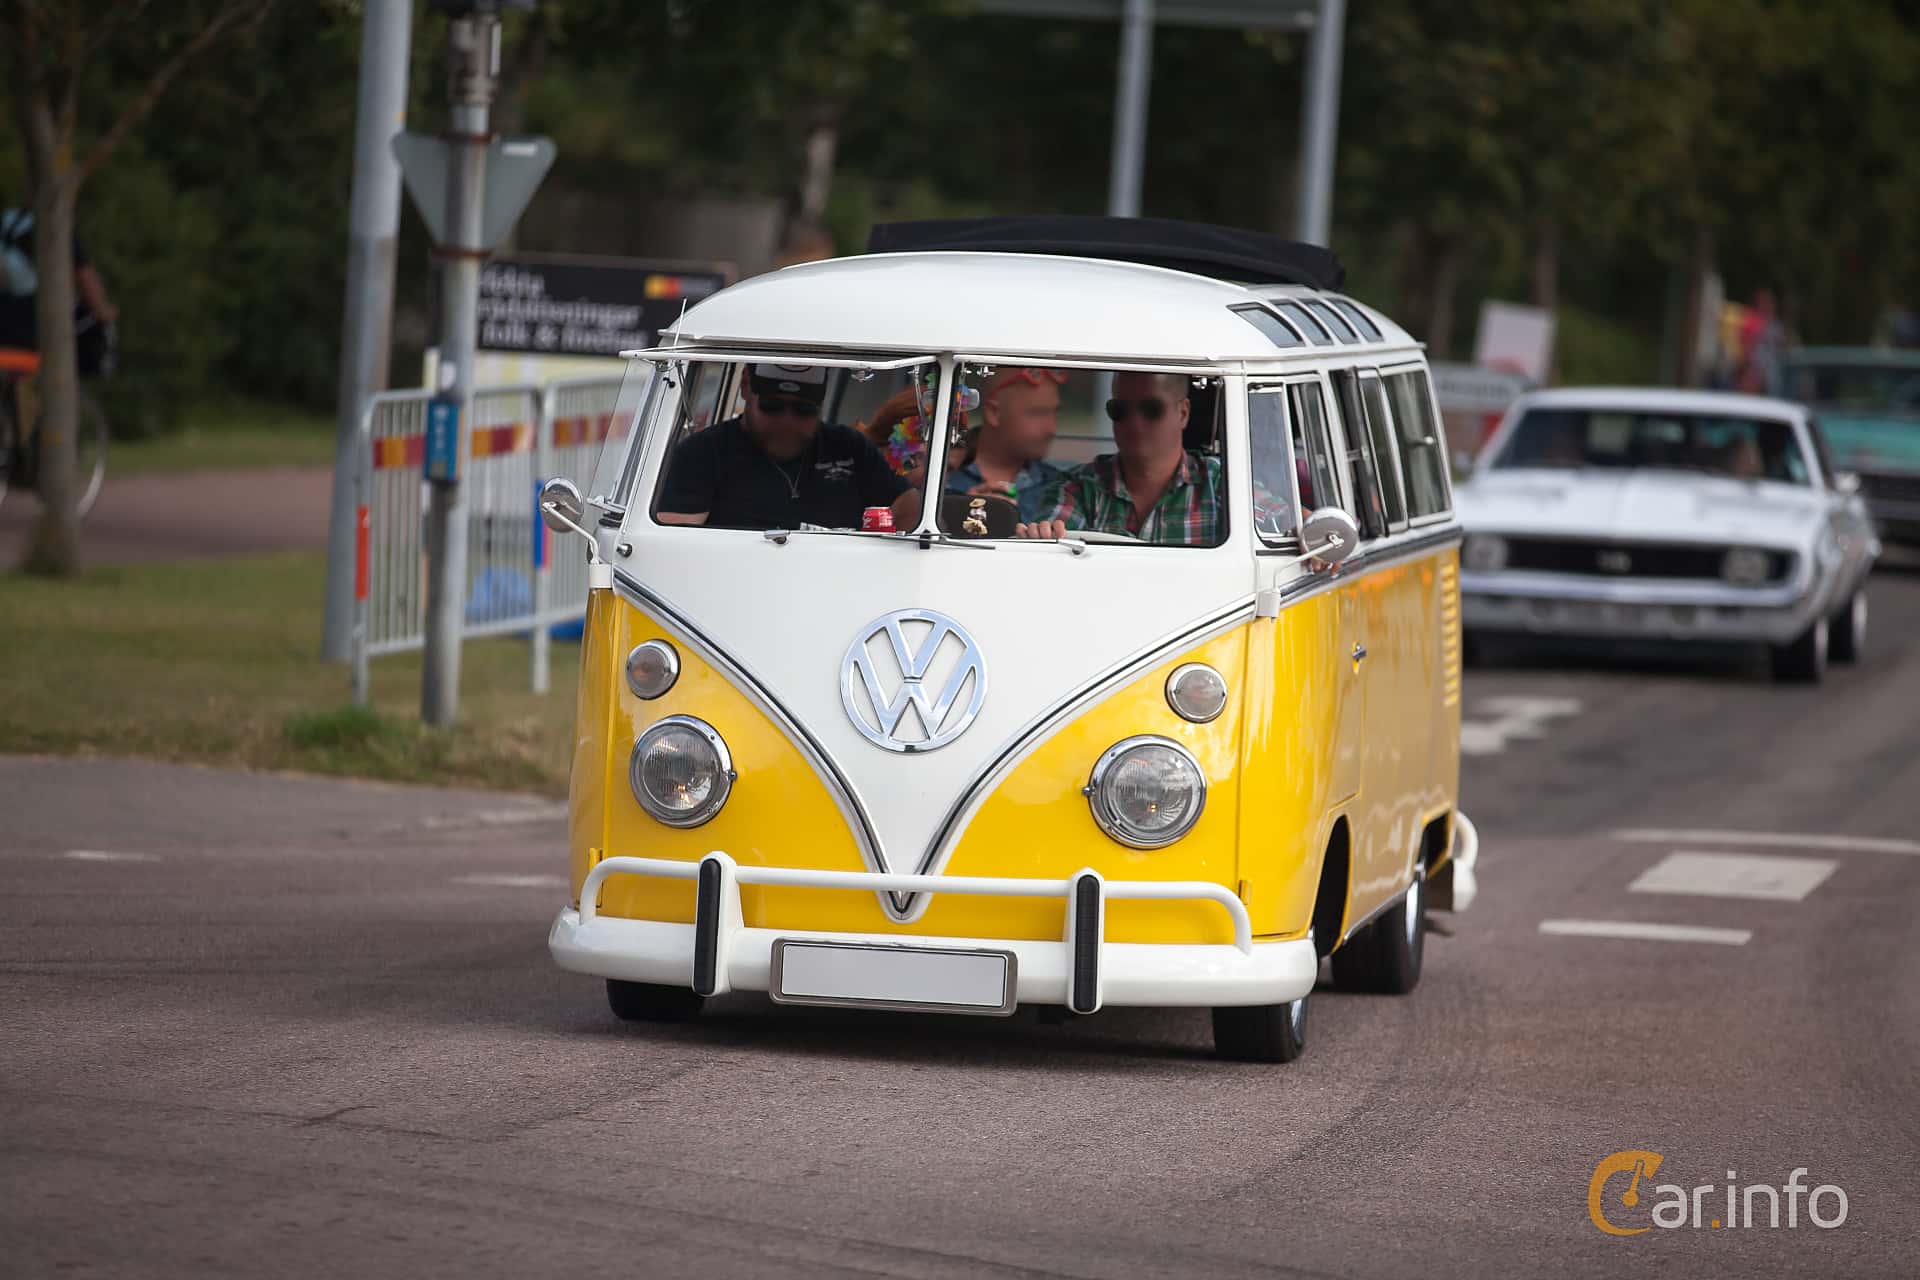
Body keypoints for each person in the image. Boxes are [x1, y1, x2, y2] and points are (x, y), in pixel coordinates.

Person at [655, 363, 918, 530]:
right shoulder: (701, 454)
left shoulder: (849, 448)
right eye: (772, 406)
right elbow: (674, 540)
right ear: (745, 387)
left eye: (804, 410)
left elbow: (909, 507)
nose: (787, 421)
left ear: (821, 405)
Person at [1016, 370, 1224, 546]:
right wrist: (1044, 537)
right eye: (1120, 410)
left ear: (1183, 413)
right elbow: (1054, 537)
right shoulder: (1078, 488)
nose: (1135, 423)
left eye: (1151, 409)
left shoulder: (1222, 483)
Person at [0, 205, 118, 376]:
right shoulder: (54, 227)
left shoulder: (9, 219)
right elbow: (85, 277)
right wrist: (105, 312)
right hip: (25, 341)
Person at [945, 366, 1067, 524]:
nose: (1052, 429)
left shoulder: (1061, 489)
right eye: (1037, 413)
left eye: (1055, 412)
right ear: (993, 412)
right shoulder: (936, 477)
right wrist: (955, 513)